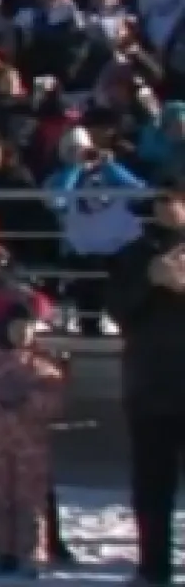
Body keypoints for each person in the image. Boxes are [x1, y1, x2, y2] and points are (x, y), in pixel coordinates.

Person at [106, 175, 185, 587]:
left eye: (177, 201)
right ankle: (153, 566)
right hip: (150, 387)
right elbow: (117, 310)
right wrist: (149, 280)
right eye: (163, 201)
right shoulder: (135, 254)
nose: (170, 209)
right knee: (153, 487)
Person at [0, 299, 65, 578]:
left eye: (27, 327)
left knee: (30, 501)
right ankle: (3, 551)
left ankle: (32, 554)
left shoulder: (42, 362)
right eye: (15, 327)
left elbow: (56, 399)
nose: (20, 333)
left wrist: (29, 399)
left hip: (31, 446)